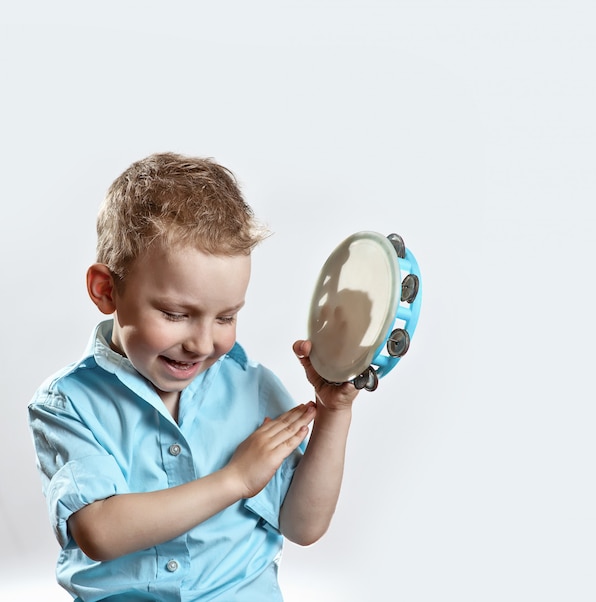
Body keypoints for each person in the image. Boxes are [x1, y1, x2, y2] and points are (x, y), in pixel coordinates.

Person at [28, 152, 360, 601]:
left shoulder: (253, 388)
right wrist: (235, 479)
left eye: (225, 317)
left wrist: (334, 412)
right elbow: (99, 532)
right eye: (176, 314)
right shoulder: (68, 403)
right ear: (106, 290)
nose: (203, 344)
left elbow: (303, 526)